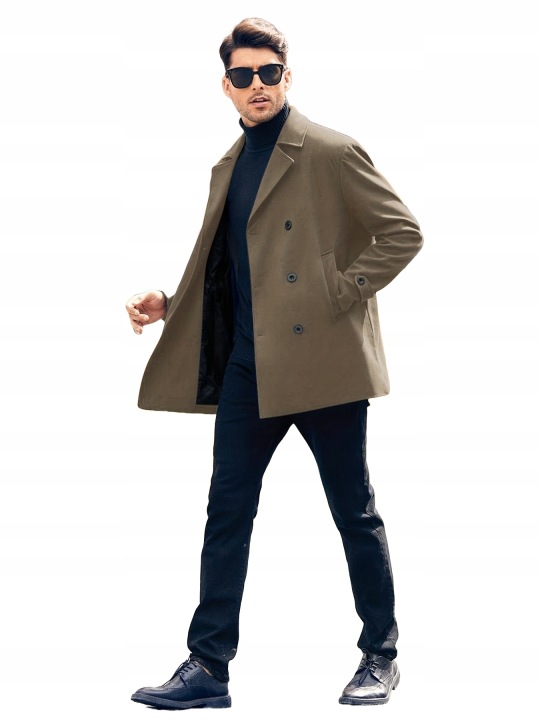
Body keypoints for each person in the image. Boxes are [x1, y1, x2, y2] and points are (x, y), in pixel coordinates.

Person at [126, 17, 423, 710]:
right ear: (226, 86)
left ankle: (380, 655)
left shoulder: (330, 150)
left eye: (268, 73)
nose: (256, 85)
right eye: (243, 75)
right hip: (249, 366)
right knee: (226, 512)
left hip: (322, 363)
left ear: (287, 78)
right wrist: (171, 303)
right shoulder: (229, 165)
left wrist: (337, 292)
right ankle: (208, 666)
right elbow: (233, 267)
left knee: (353, 511)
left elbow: (402, 232)